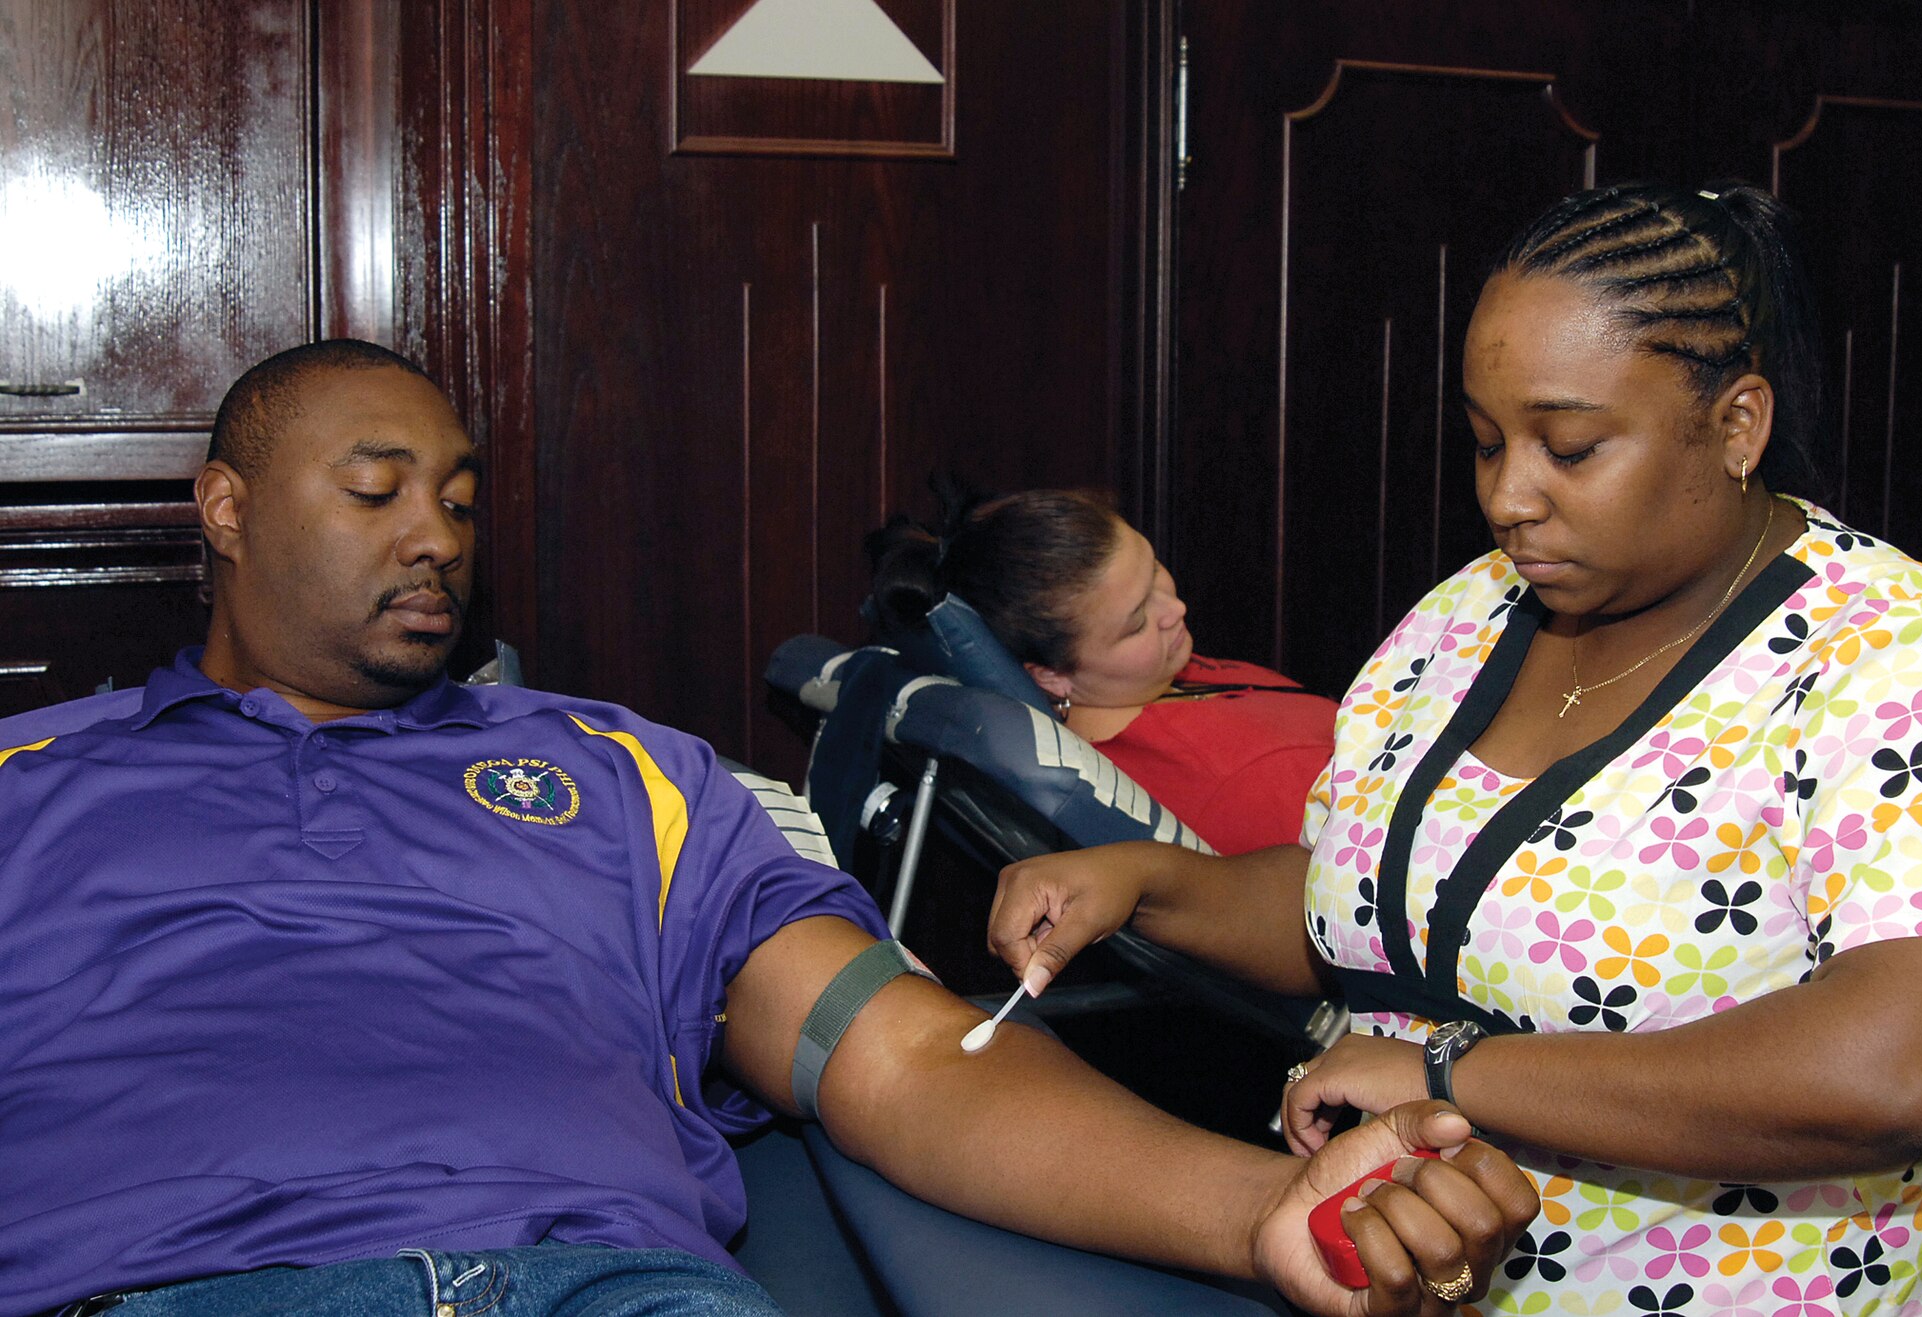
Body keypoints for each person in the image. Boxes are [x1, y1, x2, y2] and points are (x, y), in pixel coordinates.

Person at [0, 340, 1538, 1317]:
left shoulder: (626, 773)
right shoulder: (34, 780)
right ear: (226, 508)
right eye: (377, 491)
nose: (437, 537)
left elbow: (913, 1059)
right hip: (183, 1282)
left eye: (460, 500)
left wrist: (1267, 1207)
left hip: (606, 1287)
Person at [989, 182, 1922, 1314]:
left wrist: (1446, 1071)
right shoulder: (1464, 616)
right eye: (1485, 443)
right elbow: (1377, 909)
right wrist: (1148, 885)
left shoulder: (1898, 657)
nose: (1509, 498)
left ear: (1735, 426)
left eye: (1569, 448)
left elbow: (1905, 1069)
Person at [869, 488, 1339, 853]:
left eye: (1153, 569)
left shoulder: (1146, 677)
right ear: (1052, 676)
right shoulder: (1232, 784)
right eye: (1135, 623)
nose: (1175, 607)